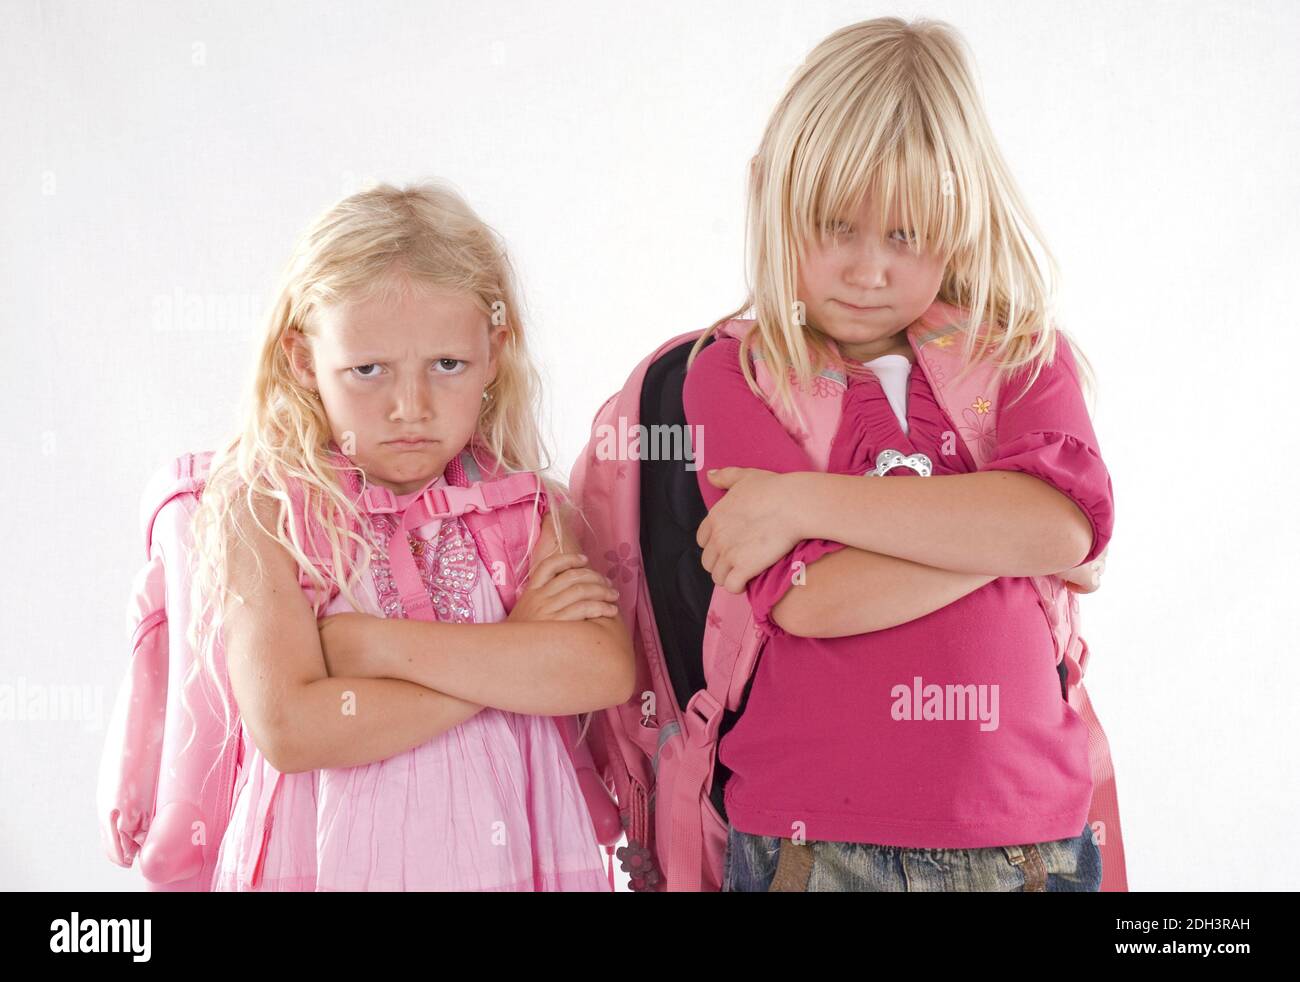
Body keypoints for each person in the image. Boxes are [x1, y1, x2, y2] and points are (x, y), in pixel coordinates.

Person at [682, 17, 1114, 891]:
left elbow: (1060, 530)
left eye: (905, 236)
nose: (867, 270)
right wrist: (1006, 532)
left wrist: (802, 504)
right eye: (835, 226)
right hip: (812, 846)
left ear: (958, 224)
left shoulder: (1024, 351)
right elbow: (812, 597)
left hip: (1025, 842)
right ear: (776, 200)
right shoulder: (738, 373)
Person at [188, 181, 634, 890]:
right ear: (304, 361)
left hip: (508, 862)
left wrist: (380, 647)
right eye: (367, 371)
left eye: (446, 365)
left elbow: (601, 670)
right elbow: (294, 728)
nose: (410, 408)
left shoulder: (522, 507)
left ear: (494, 350)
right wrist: (513, 665)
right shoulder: (269, 512)